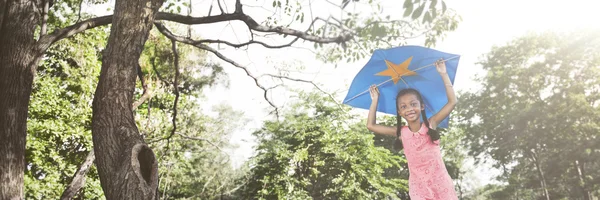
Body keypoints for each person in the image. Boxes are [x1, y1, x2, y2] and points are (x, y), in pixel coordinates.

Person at [366, 59, 458, 200]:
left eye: (413, 104)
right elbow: (371, 126)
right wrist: (375, 100)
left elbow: (452, 102)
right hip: (419, 189)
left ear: (422, 106)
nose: (409, 109)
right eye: (403, 106)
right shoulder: (401, 132)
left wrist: (443, 74)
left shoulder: (431, 124)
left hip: (441, 184)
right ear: (399, 112)